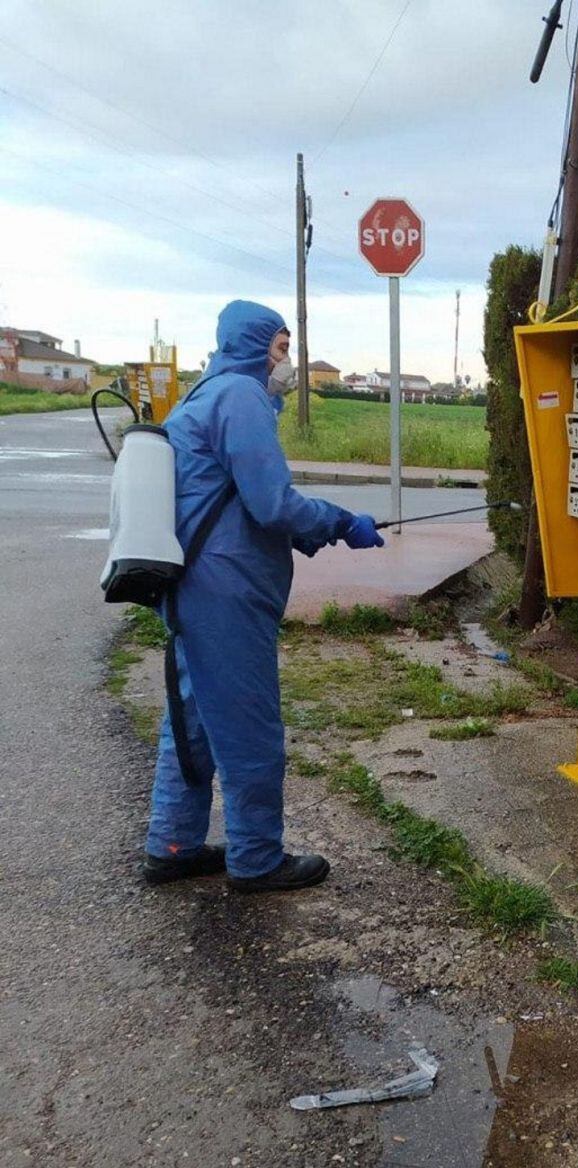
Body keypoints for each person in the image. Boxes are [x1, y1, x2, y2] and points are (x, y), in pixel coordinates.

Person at [142, 299, 383, 893]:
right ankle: (255, 859)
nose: (288, 361)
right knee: (249, 726)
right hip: (224, 593)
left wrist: (318, 530)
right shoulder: (240, 397)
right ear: (252, 345)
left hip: (192, 586)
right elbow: (272, 503)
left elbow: (230, 501)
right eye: (281, 347)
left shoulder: (202, 397)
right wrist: (339, 520)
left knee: (192, 719)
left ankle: (173, 843)